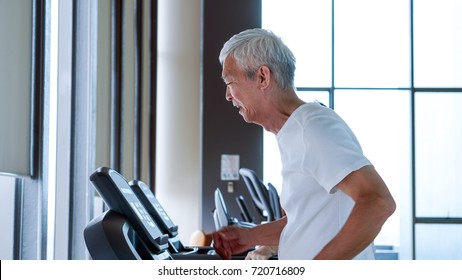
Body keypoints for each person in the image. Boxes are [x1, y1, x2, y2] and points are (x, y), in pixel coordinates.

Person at [212, 28, 396, 260]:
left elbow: (378, 202)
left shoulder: (313, 127)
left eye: (230, 82)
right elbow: (306, 222)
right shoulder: (293, 131)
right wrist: (249, 236)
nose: (228, 95)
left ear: (262, 77)